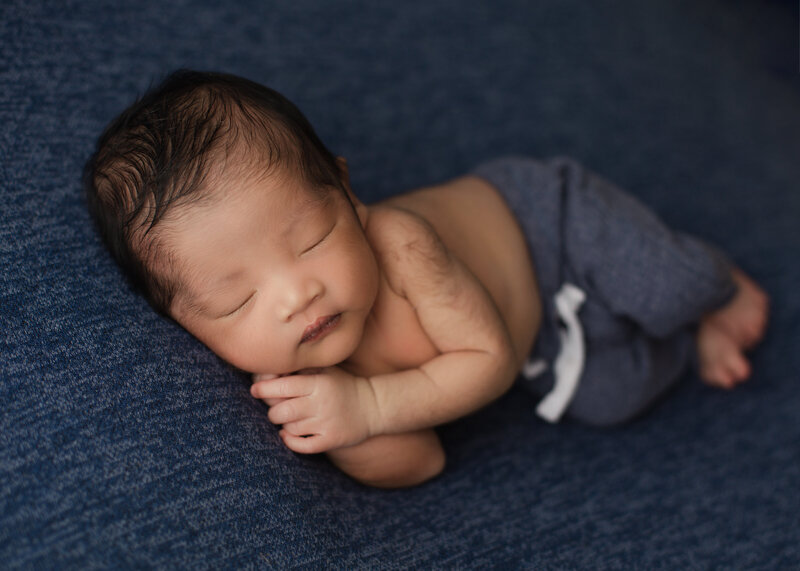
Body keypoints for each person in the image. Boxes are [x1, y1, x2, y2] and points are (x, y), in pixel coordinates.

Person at [85, 70, 769, 488]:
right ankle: (685, 338)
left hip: (547, 226)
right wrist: (350, 427)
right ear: (190, 327)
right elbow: (424, 462)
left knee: (662, 285)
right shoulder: (308, 381)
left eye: (313, 238)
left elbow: (488, 361)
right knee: (615, 398)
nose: (298, 294)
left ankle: (715, 285)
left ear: (347, 191)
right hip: (541, 339)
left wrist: (373, 406)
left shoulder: (400, 243)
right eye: (236, 300)